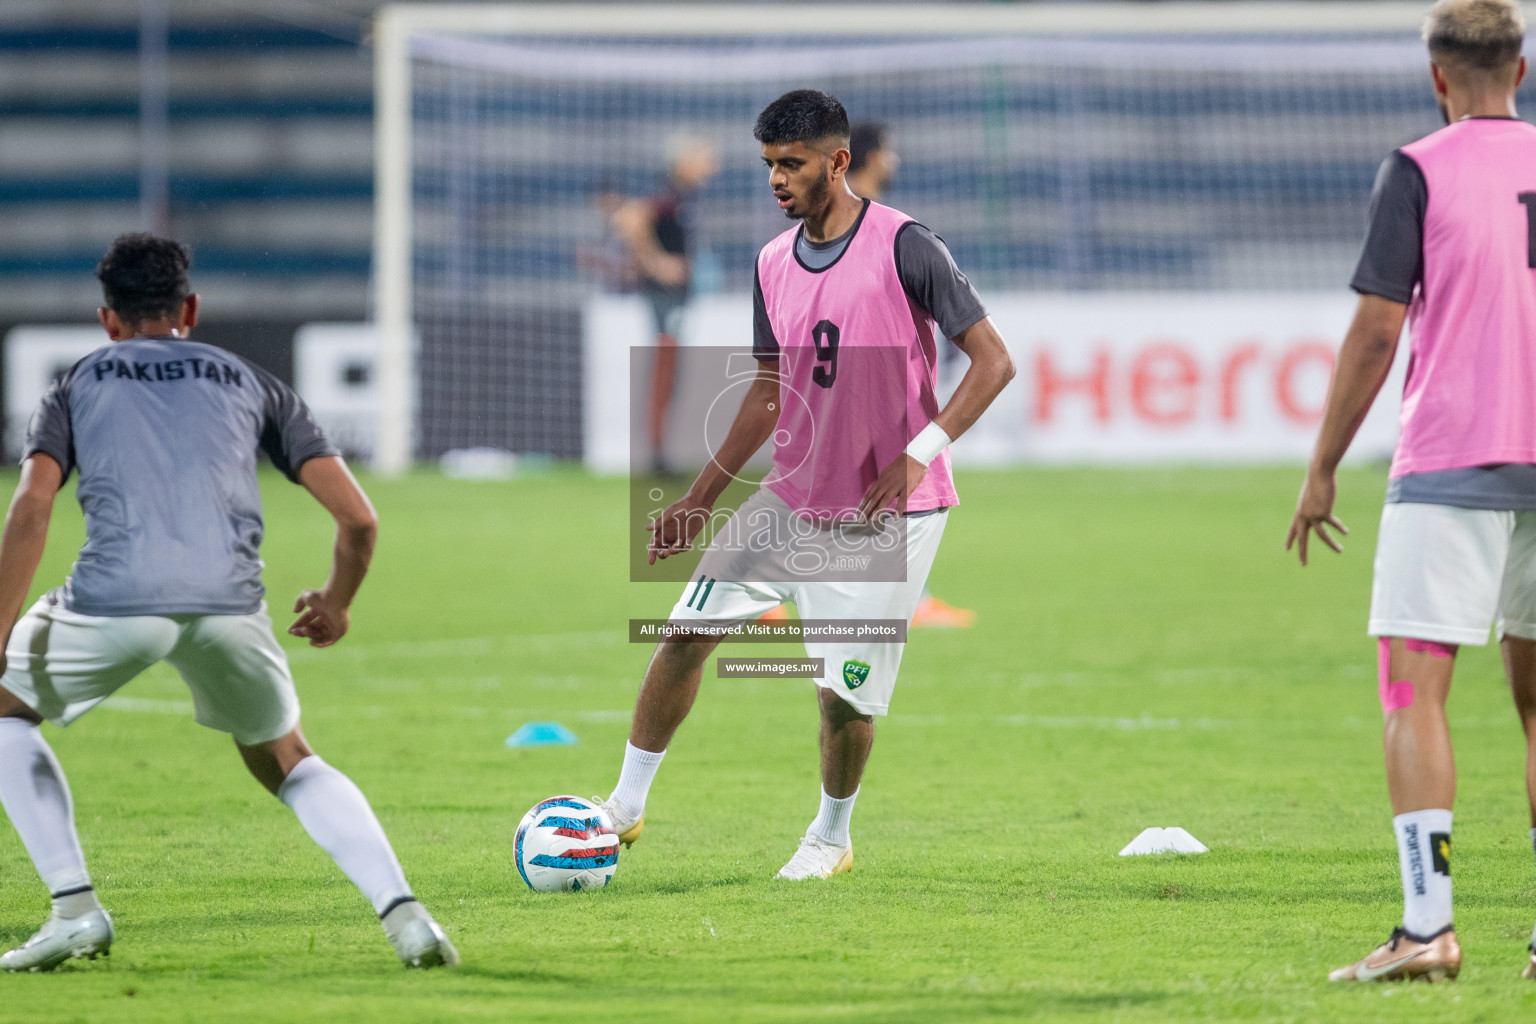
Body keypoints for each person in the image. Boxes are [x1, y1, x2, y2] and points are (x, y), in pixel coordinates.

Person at [0, 235, 456, 972]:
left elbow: (31, 506)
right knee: (287, 759)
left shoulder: (77, 382)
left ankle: (74, 909)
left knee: (4, 713)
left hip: (115, 597)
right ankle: (408, 918)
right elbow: (360, 519)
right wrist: (335, 603)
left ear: (108, 320)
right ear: (190, 308)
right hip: (231, 604)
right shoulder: (253, 380)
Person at [598, 90, 1015, 879]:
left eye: (790, 165)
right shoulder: (769, 262)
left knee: (842, 697)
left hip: (887, 511)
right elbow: (767, 389)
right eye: (768, 167)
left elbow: (994, 361)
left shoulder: (907, 246)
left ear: (839, 161)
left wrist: (920, 449)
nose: (776, 181)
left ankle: (830, 836)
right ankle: (623, 807)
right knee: (684, 633)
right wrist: (698, 498)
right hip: (789, 499)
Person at [1287, 0, 1535, 983]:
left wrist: (1322, 463)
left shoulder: (1419, 167)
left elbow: (1379, 329)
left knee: (1413, 688)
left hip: (1452, 466)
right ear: (1521, 70)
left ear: (1438, 77)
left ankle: (1427, 925)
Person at [610, 138, 719, 476]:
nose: (710, 164)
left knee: (670, 374)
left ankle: (661, 453)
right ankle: (657, 456)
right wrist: (656, 263)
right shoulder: (669, 195)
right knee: (663, 372)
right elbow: (628, 220)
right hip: (664, 299)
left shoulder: (683, 198)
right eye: (703, 157)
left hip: (677, 299)